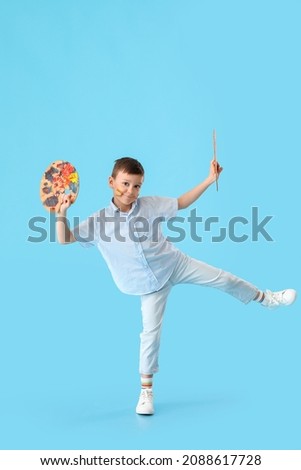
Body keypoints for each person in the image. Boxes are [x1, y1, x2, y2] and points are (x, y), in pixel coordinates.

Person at [56, 157, 297, 415]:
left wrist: (209, 179)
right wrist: (61, 213)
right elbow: (65, 239)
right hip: (148, 286)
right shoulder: (99, 221)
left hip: (174, 263)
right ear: (111, 182)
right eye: (125, 184)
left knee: (224, 278)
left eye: (137, 186)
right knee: (150, 334)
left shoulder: (149, 205)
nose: (131, 191)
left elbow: (181, 202)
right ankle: (146, 392)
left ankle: (266, 298)